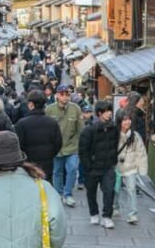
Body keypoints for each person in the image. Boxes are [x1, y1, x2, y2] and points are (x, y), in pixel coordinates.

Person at [78, 100, 118, 229]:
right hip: (93, 167)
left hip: (108, 166)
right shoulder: (89, 130)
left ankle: (107, 216)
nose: (109, 113)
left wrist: (113, 161)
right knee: (91, 191)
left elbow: (115, 145)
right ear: (99, 113)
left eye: (110, 110)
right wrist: (88, 166)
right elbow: (83, 150)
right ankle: (94, 213)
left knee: (109, 191)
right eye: (106, 111)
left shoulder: (114, 128)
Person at [46, 85, 84, 207]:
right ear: (57, 95)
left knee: (72, 169)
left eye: (67, 94)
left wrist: (78, 144)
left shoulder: (75, 109)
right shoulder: (49, 110)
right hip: (56, 147)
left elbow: (80, 129)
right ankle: (58, 193)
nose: (65, 97)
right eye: (62, 94)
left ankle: (68, 194)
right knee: (57, 171)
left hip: (72, 146)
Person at [14, 90, 63, 180]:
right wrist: (50, 154)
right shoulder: (52, 123)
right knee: (45, 184)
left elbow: (18, 145)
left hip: (28, 164)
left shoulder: (22, 124)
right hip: (47, 162)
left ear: (30, 104)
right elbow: (58, 143)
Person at [116, 111, 148, 224]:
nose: (127, 122)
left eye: (129, 119)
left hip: (131, 167)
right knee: (115, 189)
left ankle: (132, 214)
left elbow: (141, 153)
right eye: (124, 120)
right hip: (116, 166)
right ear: (119, 121)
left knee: (131, 189)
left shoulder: (135, 136)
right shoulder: (114, 134)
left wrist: (142, 169)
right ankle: (115, 207)